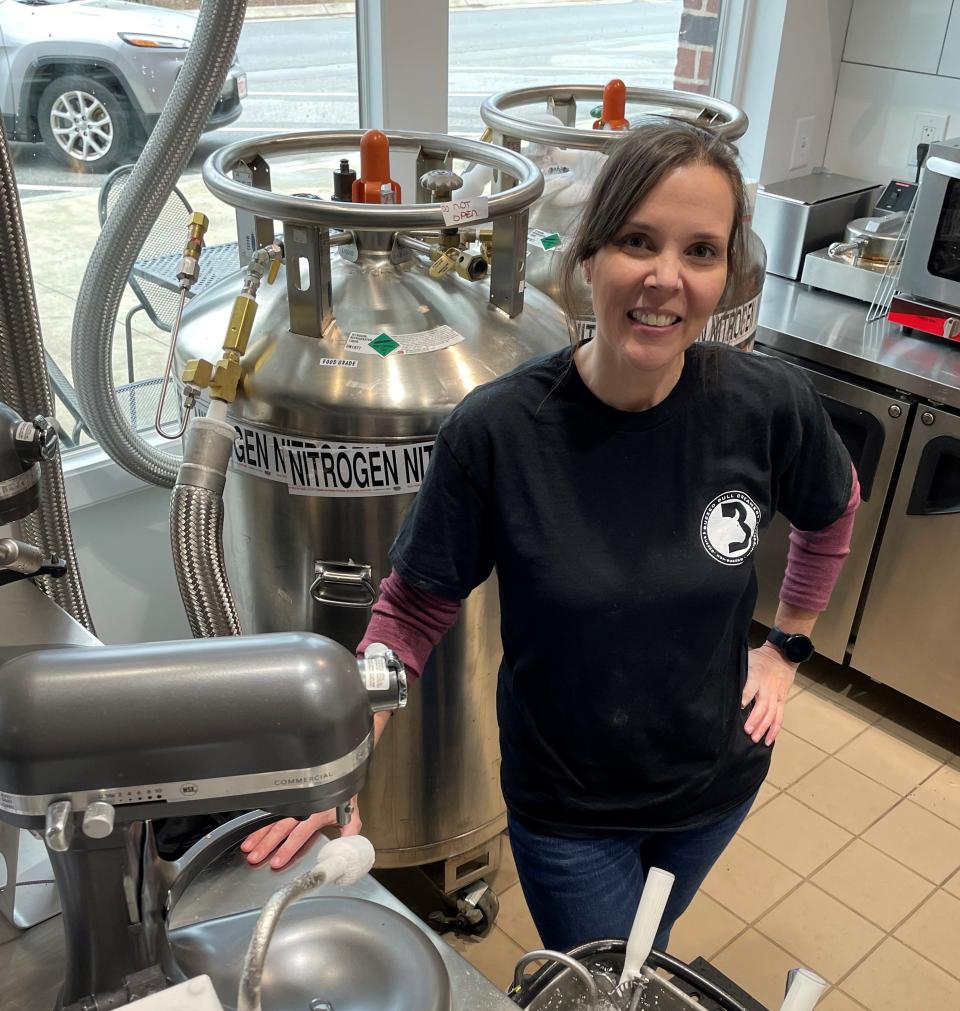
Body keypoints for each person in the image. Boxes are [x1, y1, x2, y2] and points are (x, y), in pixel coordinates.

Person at [242, 119, 859, 954]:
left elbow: (834, 509)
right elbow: (411, 612)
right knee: (599, 980)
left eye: (701, 251)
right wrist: (343, 758)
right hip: (572, 814)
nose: (666, 279)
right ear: (590, 255)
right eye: (638, 241)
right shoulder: (499, 431)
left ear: (725, 269)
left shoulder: (765, 402)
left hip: (715, 786)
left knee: (641, 960)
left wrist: (786, 648)